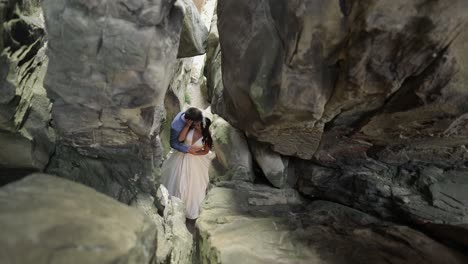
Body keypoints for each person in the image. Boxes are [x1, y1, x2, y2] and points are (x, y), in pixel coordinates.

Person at [161, 110, 213, 219]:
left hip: (196, 159)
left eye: (199, 125)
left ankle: (188, 209)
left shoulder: (207, 137)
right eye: (197, 123)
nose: (196, 125)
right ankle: (173, 206)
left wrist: (195, 153)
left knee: (193, 184)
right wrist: (187, 126)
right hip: (181, 156)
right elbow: (180, 139)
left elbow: (205, 151)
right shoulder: (190, 127)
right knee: (177, 180)